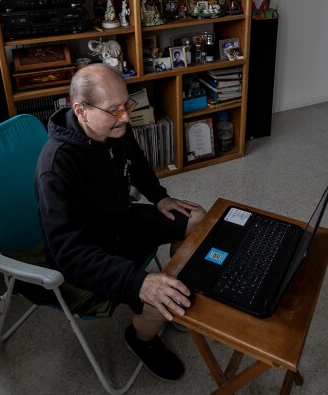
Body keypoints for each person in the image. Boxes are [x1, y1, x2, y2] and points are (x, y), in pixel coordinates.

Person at [36, 64, 206, 381]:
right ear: (81, 111)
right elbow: (69, 254)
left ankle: (174, 288)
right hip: (89, 256)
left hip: (120, 223)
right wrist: (139, 281)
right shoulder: (56, 166)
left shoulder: (114, 130)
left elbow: (137, 162)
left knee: (197, 218)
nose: (126, 117)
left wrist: (159, 196)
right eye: (114, 110)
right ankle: (142, 339)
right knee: (159, 303)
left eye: (126, 105)